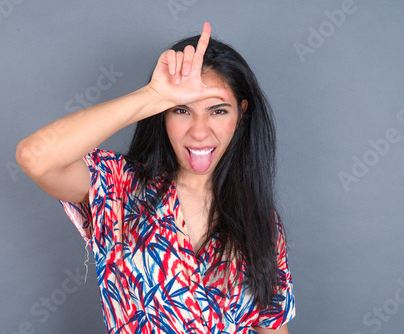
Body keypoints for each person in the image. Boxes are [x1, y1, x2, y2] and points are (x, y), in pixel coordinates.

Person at [16, 22, 295, 334]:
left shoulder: (259, 218)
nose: (199, 132)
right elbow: (35, 157)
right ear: (162, 115)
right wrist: (153, 96)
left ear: (241, 114)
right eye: (181, 111)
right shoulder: (120, 188)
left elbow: (272, 326)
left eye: (218, 111)